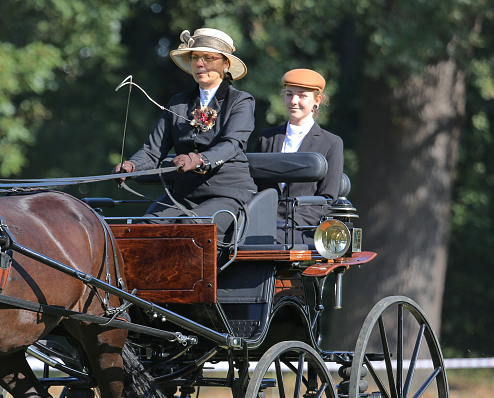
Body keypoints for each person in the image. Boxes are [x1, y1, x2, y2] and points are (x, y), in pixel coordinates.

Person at [113, 28, 259, 252]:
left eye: (209, 58)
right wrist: (131, 166)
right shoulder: (177, 103)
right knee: (143, 229)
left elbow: (232, 145)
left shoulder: (240, 101)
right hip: (184, 196)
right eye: (195, 58)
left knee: (189, 228)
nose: (200, 64)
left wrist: (198, 159)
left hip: (227, 195)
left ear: (225, 64)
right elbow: (153, 151)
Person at [256, 69, 344, 245]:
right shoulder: (266, 138)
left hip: (302, 229)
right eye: (289, 94)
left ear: (317, 100)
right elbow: (254, 187)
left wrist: (286, 224)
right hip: (262, 223)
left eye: (302, 96)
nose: (293, 101)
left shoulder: (331, 143)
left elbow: (326, 200)